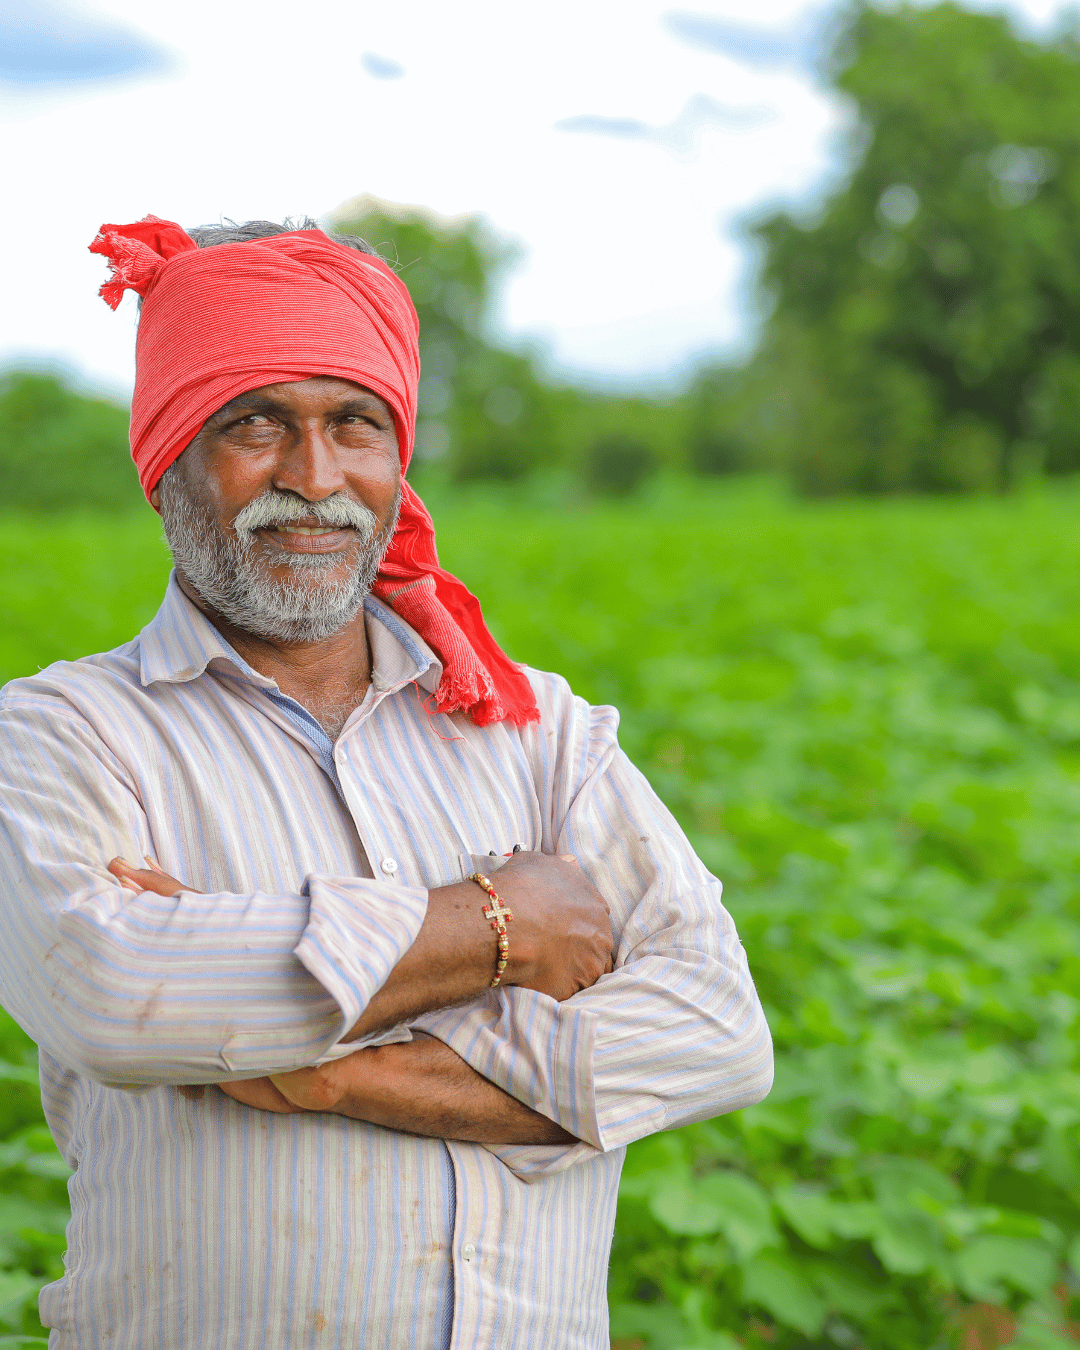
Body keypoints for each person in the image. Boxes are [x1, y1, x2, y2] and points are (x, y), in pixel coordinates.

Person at [0, 214, 773, 1349]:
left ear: (397, 460)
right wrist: (498, 927)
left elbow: (717, 1033)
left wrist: (327, 1074)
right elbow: (117, 997)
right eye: (255, 424)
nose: (314, 480)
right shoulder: (62, 734)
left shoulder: (534, 729)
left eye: (354, 425)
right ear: (167, 459)